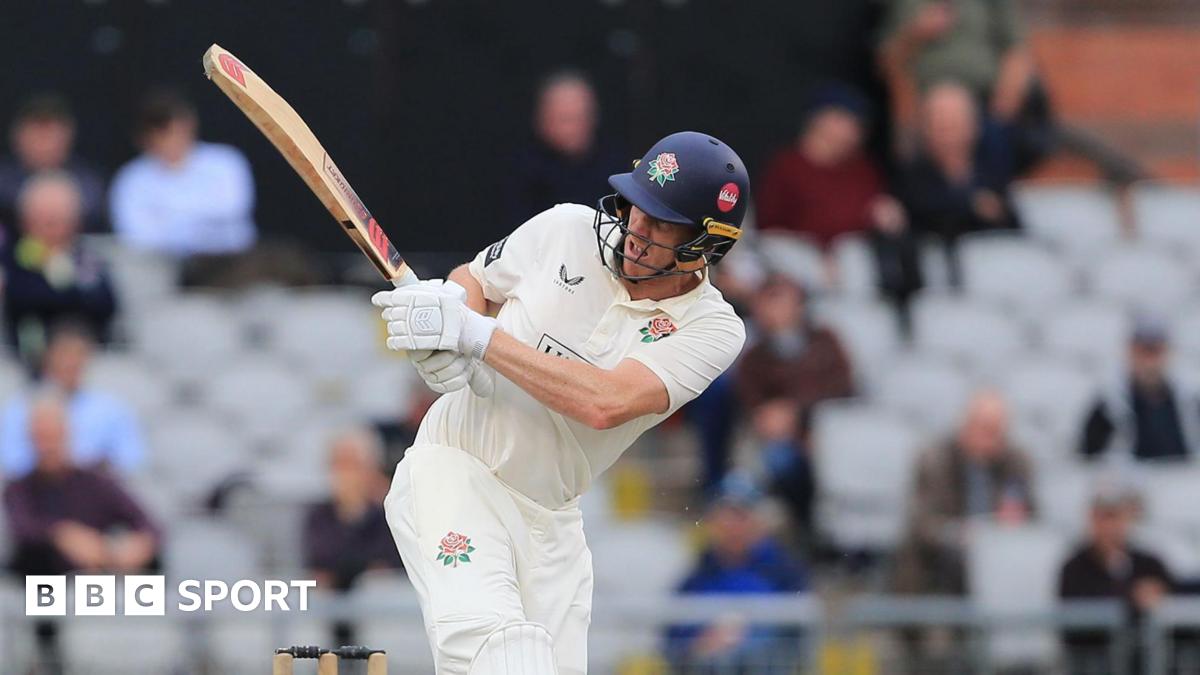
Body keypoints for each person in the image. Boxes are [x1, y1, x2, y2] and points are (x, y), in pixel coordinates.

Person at [371, 131, 750, 674]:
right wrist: (449, 329)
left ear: (704, 245)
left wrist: (477, 337)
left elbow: (606, 402)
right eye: (635, 208)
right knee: (501, 657)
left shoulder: (713, 328)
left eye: (662, 222)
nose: (636, 232)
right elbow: (474, 282)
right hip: (452, 471)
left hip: (551, 520)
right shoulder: (566, 228)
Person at [756, 84, 922, 307]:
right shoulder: (787, 167)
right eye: (848, 122)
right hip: (799, 263)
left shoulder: (863, 169)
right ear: (822, 120)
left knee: (855, 255)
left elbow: (872, 214)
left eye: (858, 125)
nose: (856, 131)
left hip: (854, 263)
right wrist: (820, 251)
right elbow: (768, 229)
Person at [893, 390, 1036, 595]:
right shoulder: (935, 460)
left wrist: (1015, 521)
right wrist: (958, 534)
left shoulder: (1016, 462)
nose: (993, 439)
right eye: (986, 430)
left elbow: (1033, 515)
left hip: (1001, 552)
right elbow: (922, 522)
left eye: (999, 432)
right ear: (966, 427)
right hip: (946, 553)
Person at [4, 393, 159, 576]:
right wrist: (61, 534)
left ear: (68, 434)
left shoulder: (97, 483)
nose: (48, 446)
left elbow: (148, 524)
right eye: (41, 437)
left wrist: (137, 544)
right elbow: (23, 530)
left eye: (54, 436)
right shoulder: (18, 488)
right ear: (29, 439)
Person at [665, 475, 807, 674]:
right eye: (725, 515)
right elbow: (673, 640)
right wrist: (702, 644)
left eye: (741, 515)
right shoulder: (697, 576)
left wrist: (746, 641)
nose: (732, 525)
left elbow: (798, 638)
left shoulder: (784, 572)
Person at [109, 89, 256, 258]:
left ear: (190, 123)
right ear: (144, 137)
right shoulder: (132, 178)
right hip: (163, 266)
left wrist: (169, 221)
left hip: (230, 261)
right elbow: (135, 235)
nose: (171, 138)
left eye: (175, 128)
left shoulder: (225, 162)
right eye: (162, 132)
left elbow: (232, 211)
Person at [896, 82, 1017, 281]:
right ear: (926, 129)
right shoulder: (910, 176)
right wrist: (971, 206)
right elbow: (921, 220)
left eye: (955, 125)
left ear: (974, 127)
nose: (949, 136)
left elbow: (1014, 227)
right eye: (941, 126)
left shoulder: (991, 173)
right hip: (937, 281)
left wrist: (995, 213)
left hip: (995, 276)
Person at [1, 171, 117, 365]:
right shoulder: (11, 256)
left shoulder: (84, 256)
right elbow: (20, 298)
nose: (50, 229)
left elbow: (105, 304)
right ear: (25, 221)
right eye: (42, 220)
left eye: (57, 221)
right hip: (26, 358)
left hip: (86, 357)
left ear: (75, 222)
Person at [1, 324, 145, 478]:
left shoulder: (111, 408)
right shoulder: (20, 408)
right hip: (38, 494)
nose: (71, 362)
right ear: (48, 357)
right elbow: (11, 462)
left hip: (95, 491)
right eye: (63, 354)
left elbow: (131, 459)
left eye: (77, 354)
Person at [1059, 483, 1173, 675]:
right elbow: (1075, 619)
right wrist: (1132, 596)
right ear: (1091, 519)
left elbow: (1174, 590)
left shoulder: (1148, 563)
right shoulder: (1074, 568)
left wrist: (1159, 593)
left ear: (1128, 518)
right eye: (1104, 516)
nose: (1110, 526)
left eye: (1116, 516)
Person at [504, 71, 626, 225]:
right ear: (542, 120)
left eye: (582, 117)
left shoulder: (614, 168)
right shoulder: (523, 171)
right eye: (565, 119)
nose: (573, 129)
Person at [1081, 314, 1197, 463]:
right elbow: (1087, 460)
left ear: (1168, 353)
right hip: (1130, 482)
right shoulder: (1108, 405)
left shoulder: (1191, 403)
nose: (1149, 361)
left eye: (1155, 351)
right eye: (1143, 351)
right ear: (1130, 352)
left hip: (1183, 482)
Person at [303, 427, 401, 592]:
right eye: (339, 464)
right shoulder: (318, 516)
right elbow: (320, 563)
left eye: (353, 464)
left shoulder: (388, 516)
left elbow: (387, 565)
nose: (346, 474)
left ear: (370, 469)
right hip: (329, 607)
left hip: (379, 605)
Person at [0, 93, 107, 237]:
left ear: (68, 136)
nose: (44, 144)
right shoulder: (4, 179)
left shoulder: (88, 182)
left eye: (50, 134)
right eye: (37, 134)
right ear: (17, 136)